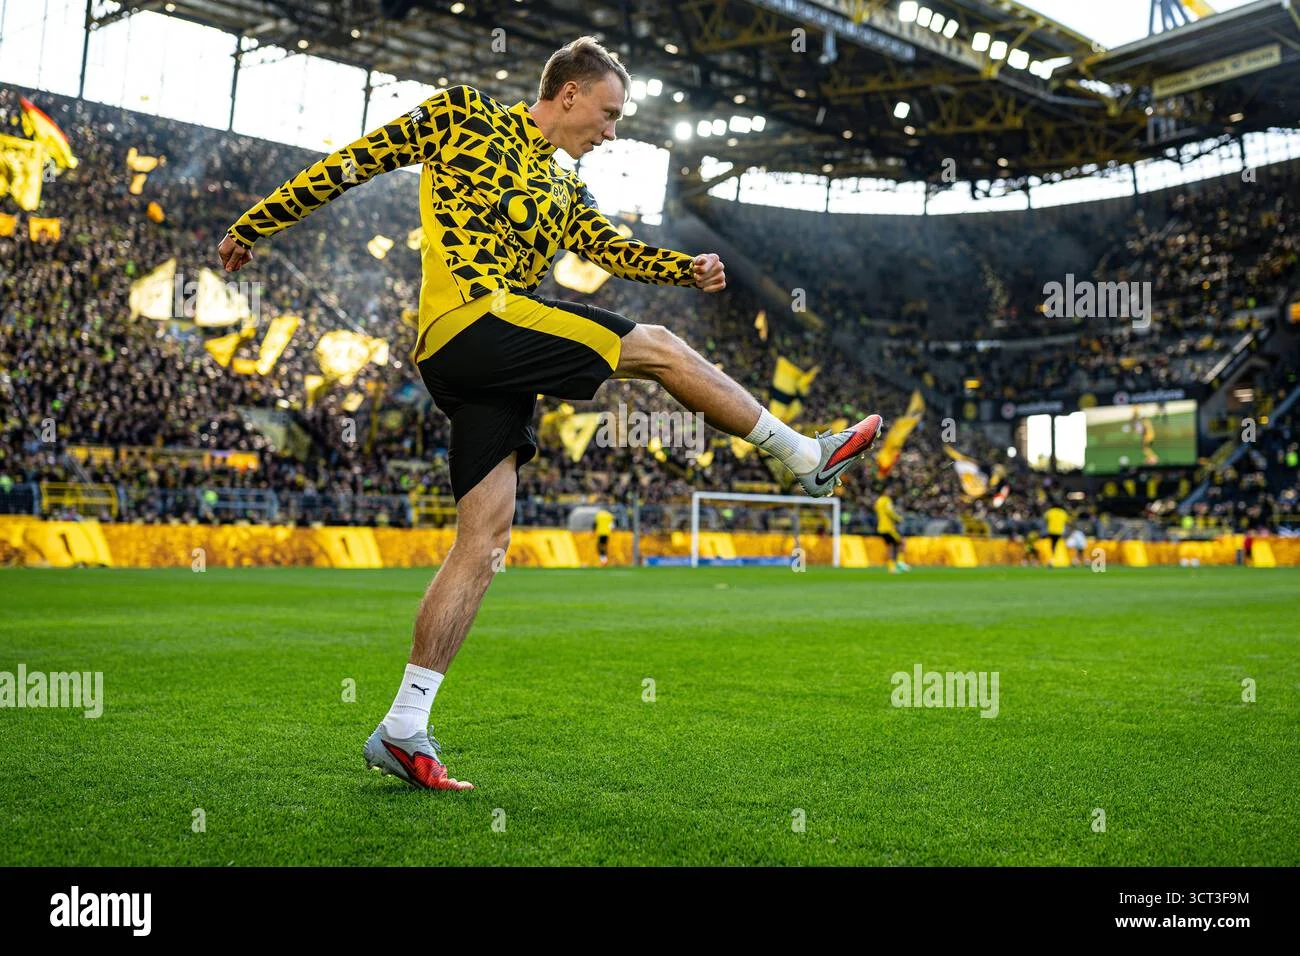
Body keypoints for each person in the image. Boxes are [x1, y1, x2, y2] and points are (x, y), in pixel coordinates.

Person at [218, 36, 882, 791]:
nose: (612, 131)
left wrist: (686, 269)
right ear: (568, 94)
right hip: (476, 320)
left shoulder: (565, 185)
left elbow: (612, 249)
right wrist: (256, 224)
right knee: (660, 348)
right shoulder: (463, 116)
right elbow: (354, 162)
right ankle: (804, 455)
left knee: (485, 541)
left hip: (493, 361)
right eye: (608, 113)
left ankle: (402, 727)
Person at [875, 484, 908, 573]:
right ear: (884, 491)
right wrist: (898, 518)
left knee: (891, 547)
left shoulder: (878, 501)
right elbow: (889, 512)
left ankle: (892, 567)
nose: (890, 492)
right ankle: (900, 563)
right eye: (888, 490)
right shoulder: (886, 500)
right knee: (902, 542)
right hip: (888, 528)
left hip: (881, 528)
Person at [1044, 501, 1069, 567]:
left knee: (1052, 545)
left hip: (1051, 531)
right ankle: (1056, 559)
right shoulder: (1063, 512)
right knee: (1058, 545)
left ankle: (1051, 559)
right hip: (1060, 532)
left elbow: (1045, 519)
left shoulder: (1050, 511)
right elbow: (1067, 521)